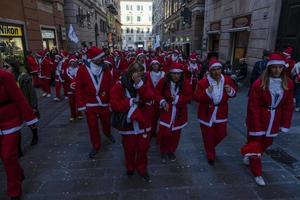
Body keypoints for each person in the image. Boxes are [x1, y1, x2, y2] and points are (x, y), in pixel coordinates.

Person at [241, 52, 294, 186]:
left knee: (266, 143)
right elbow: (253, 106)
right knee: (256, 145)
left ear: (283, 68)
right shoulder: (259, 84)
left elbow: (288, 106)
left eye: (280, 67)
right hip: (258, 119)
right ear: (269, 68)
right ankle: (257, 173)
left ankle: (249, 153)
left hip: (274, 119)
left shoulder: (288, 84)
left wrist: (284, 123)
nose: (277, 70)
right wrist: (257, 126)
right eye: (274, 67)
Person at [0, 57, 38, 200]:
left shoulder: (5, 77)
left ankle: (14, 191)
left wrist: (30, 119)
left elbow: (19, 98)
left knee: (8, 155)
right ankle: (18, 172)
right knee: (5, 157)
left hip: (10, 120)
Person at [110, 62, 154, 182]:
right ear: (130, 73)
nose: (138, 77)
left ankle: (142, 169)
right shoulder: (119, 85)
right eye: (136, 74)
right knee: (129, 149)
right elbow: (114, 103)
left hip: (143, 122)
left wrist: (139, 85)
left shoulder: (144, 82)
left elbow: (150, 96)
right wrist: (129, 102)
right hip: (127, 125)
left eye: (140, 74)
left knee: (143, 149)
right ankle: (130, 167)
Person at [194, 59, 237, 165]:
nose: (217, 72)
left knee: (222, 133)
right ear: (210, 71)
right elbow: (197, 98)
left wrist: (230, 91)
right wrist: (207, 92)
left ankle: (210, 146)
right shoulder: (203, 82)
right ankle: (210, 155)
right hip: (206, 112)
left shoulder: (227, 79)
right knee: (208, 135)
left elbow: (234, 93)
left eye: (219, 69)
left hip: (221, 111)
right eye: (214, 70)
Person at [76, 47, 115, 158]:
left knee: (106, 122)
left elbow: (111, 85)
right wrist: (81, 105)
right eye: (100, 57)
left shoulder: (105, 68)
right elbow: (78, 88)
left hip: (105, 102)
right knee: (92, 126)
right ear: (93, 59)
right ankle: (96, 145)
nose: (102, 59)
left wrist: (112, 101)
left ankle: (107, 134)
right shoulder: (83, 69)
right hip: (90, 104)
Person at [155, 62, 193, 163]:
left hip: (179, 112)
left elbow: (189, 97)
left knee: (175, 134)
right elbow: (157, 93)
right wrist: (162, 101)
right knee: (165, 133)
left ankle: (171, 151)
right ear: (170, 74)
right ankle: (163, 150)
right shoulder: (163, 82)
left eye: (178, 74)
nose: (176, 76)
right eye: (174, 73)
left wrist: (178, 99)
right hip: (166, 110)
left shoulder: (185, 83)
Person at [145, 59, 165, 138]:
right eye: (153, 65)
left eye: (156, 64)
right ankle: (152, 132)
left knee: (163, 117)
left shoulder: (163, 74)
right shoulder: (147, 74)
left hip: (161, 99)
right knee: (153, 118)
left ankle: (161, 133)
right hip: (151, 99)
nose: (155, 66)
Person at [64, 55, 82, 121]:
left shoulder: (79, 69)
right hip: (70, 88)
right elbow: (65, 78)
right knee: (71, 102)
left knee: (78, 101)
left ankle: (79, 113)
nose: (72, 63)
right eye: (71, 62)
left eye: (73, 62)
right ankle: (72, 115)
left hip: (78, 88)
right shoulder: (67, 70)